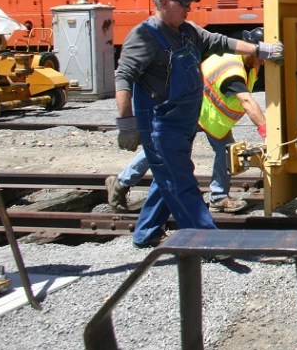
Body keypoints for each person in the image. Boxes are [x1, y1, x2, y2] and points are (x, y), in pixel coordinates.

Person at [113, 0, 282, 249]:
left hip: (185, 121)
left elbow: (220, 41)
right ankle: (207, 242)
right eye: (184, 3)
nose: (189, 8)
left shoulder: (187, 31)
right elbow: (123, 77)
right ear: (164, 3)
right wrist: (125, 124)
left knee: (167, 178)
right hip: (161, 122)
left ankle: (146, 233)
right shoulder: (144, 36)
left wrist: (261, 50)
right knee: (181, 182)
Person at [106, 28, 268, 214]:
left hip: (208, 116)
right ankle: (120, 183)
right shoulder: (232, 69)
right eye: (261, 56)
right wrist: (266, 132)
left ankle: (218, 197)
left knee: (225, 152)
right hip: (189, 110)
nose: (263, 61)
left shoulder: (247, 64)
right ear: (250, 50)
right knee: (163, 148)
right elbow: (247, 101)